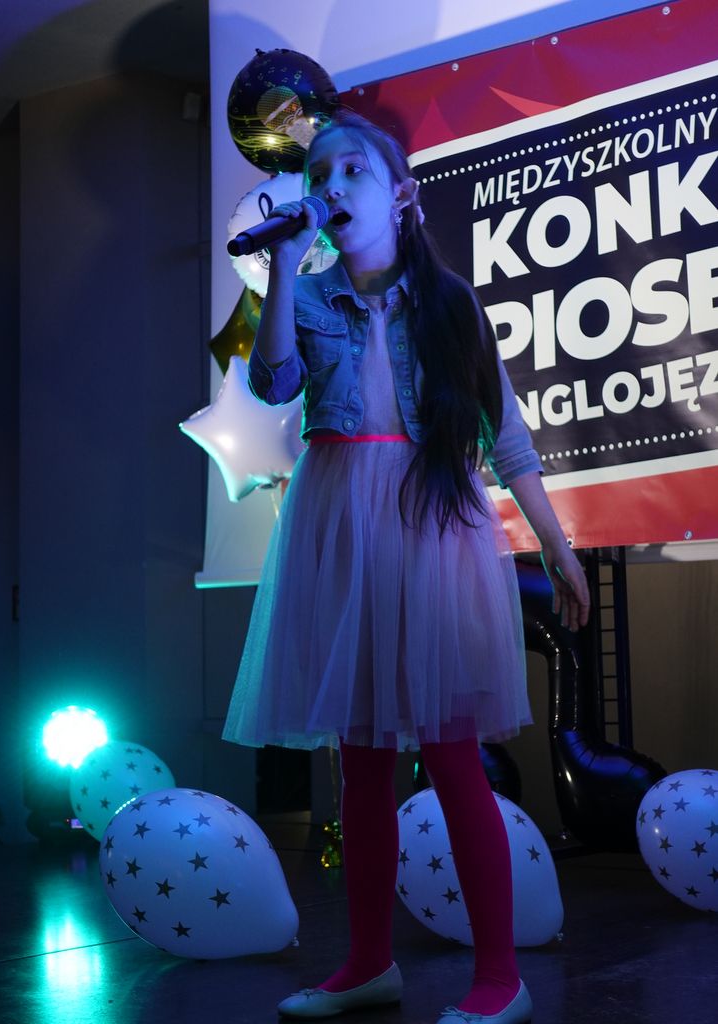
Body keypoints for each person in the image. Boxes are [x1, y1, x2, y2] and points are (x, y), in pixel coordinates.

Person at [222, 111, 590, 1024]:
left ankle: (499, 977)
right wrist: (282, 267)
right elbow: (271, 384)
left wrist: (556, 544)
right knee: (360, 763)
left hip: (429, 527)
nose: (331, 187)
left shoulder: (449, 303)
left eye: (352, 170)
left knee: (451, 755)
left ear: (400, 194)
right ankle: (368, 963)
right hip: (340, 525)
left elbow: (503, 434)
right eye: (319, 176)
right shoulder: (309, 296)